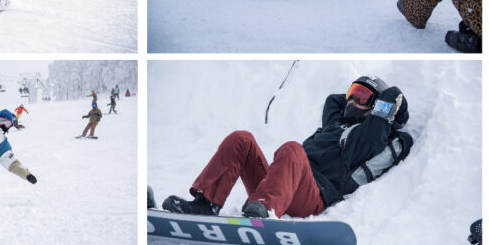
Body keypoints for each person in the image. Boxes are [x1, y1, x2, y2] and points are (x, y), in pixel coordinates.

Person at [162, 75, 412, 219]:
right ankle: (207, 203)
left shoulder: (368, 137)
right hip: (281, 185)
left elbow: (378, 129)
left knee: (293, 149)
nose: (352, 100)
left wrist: (390, 99)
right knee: (242, 139)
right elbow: (333, 100)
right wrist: (358, 96)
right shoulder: (336, 123)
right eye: (352, 93)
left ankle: (263, 212)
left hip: (311, 196)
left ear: (378, 108)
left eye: (362, 97)